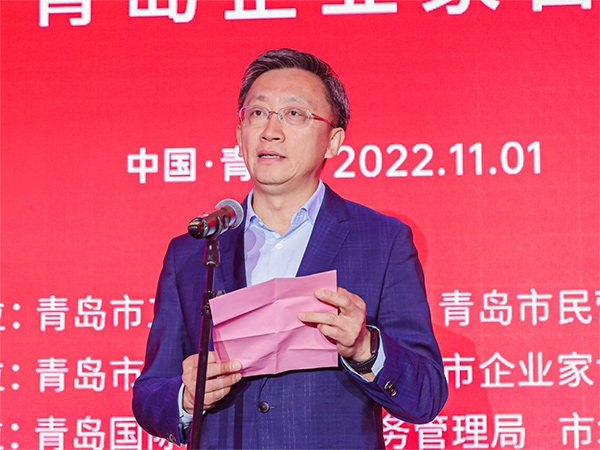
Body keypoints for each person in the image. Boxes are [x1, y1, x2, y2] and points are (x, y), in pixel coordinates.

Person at [132, 48, 447, 449]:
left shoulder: (382, 241)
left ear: (333, 141)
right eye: (257, 113)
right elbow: (150, 393)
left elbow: (426, 396)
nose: (270, 131)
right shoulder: (195, 251)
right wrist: (185, 398)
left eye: (294, 114)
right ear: (239, 135)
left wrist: (364, 347)